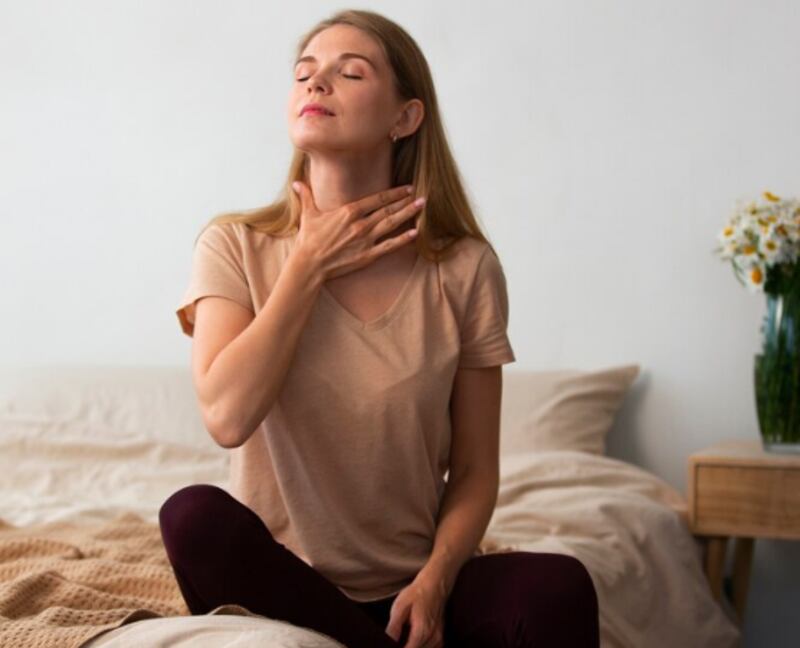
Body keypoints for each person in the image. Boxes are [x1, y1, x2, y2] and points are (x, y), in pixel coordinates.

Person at [159, 8, 599, 648]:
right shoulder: (235, 246)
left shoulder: (464, 268)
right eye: (305, 73)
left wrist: (437, 582)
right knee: (192, 517)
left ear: (405, 117)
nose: (316, 84)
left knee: (559, 585)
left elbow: (476, 470)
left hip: (413, 588)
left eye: (350, 72)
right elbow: (226, 417)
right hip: (285, 587)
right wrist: (308, 264)